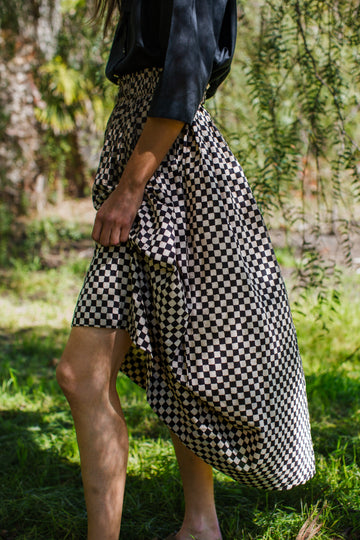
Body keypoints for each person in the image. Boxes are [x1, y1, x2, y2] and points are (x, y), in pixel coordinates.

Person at [56, 1, 316, 539]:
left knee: (82, 374)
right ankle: (201, 524)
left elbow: (185, 71)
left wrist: (130, 189)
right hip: (153, 151)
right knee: (181, 353)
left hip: (168, 164)